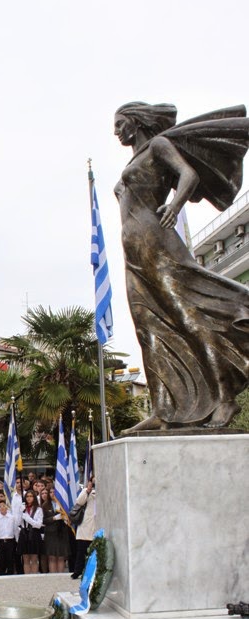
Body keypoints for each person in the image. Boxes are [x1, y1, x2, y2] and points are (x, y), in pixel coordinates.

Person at [114, 101, 249, 432]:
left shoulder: (158, 146)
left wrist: (174, 206)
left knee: (190, 317)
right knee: (148, 326)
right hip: (134, 251)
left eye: (120, 123)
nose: (116, 131)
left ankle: (225, 397)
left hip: (157, 242)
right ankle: (164, 409)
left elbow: (189, 174)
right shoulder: (134, 159)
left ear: (136, 121)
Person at [71, 478, 96, 579]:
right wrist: (88, 490)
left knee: (94, 551)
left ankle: (92, 571)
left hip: (97, 524)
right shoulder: (86, 491)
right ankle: (78, 571)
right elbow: (79, 502)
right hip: (86, 525)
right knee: (81, 551)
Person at [42, 487, 70, 573]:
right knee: (52, 557)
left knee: (61, 557)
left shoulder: (63, 504)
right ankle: (53, 576)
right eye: (50, 492)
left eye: (54, 492)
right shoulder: (45, 505)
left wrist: (66, 519)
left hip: (61, 532)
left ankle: (60, 576)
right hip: (50, 533)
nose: (53, 494)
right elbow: (43, 520)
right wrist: (53, 518)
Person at [16, 489, 43, 574]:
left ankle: (34, 576)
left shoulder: (38, 509)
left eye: (31, 496)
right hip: (24, 533)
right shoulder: (23, 508)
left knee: (34, 558)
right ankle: (26, 576)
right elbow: (18, 522)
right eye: (27, 496)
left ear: (34, 498)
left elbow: (38, 525)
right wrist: (20, 512)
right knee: (26, 558)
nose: (29, 498)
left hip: (34, 533)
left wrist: (27, 517)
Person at [0, 499, 16, 575]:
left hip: (10, 541)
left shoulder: (12, 518)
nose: (2, 507)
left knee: (10, 559)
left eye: (4, 506)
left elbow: (15, 529)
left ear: (7, 507)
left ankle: (10, 574)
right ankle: (1, 574)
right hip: (0, 541)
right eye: (0, 506)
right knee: (0, 560)